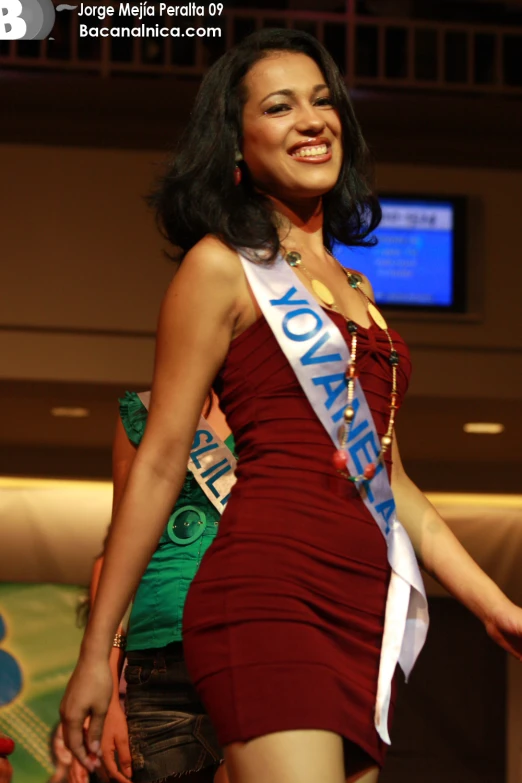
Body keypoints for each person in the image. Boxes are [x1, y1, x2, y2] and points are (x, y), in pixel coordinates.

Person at [60, 28, 522, 783]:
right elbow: (159, 464)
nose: (313, 119)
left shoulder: (360, 294)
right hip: (269, 590)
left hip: (361, 606)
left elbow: (395, 484)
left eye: (322, 100)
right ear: (236, 143)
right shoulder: (221, 269)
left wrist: (496, 605)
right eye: (280, 107)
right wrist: (95, 652)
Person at [78, 391, 234, 783]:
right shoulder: (146, 409)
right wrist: (111, 694)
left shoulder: (286, 404)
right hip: (159, 659)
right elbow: (121, 549)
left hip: (255, 647)